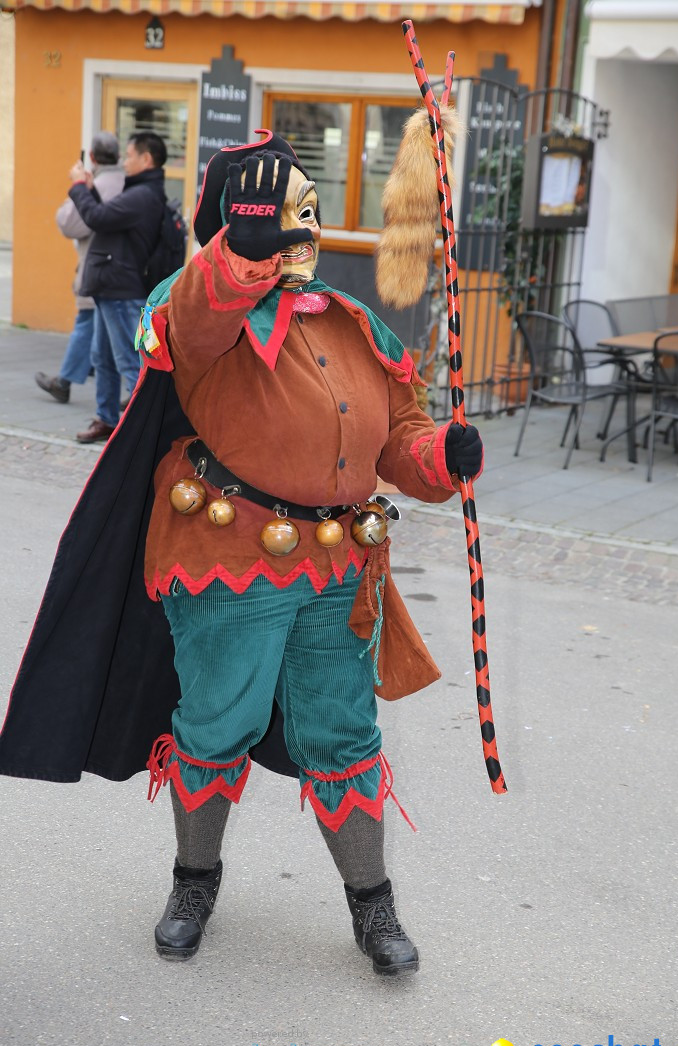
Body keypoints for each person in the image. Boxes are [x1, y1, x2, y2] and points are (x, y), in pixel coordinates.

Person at [0, 131, 483, 979]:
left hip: (338, 571)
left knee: (345, 731)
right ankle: (194, 881)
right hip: (229, 560)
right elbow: (197, 316)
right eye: (278, 209)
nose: (302, 226)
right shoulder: (195, 311)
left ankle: (374, 907)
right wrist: (238, 253)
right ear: (238, 220)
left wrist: (443, 454)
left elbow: (398, 440)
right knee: (216, 725)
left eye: (304, 207)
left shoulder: (349, 319)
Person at [68, 130, 167, 443]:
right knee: (103, 358)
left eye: (130, 155)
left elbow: (96, 218)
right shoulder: (139, 191)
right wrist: (88, 188)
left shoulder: (142, 196)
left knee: (129, 361)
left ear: (146, 159)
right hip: (112, 286)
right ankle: (107, 419)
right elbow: (107, 218)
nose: (125, 160)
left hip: (121, 289)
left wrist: (77, 187)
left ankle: (146, 433)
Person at [35, 132, 124, 404]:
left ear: (93, 158)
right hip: (125, 271)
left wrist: (78, 186)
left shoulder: (99, 185)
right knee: (105, 328)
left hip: (99, 267)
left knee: (91, 322)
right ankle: (70, 379)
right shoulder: (128, 182)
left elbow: (69, 223)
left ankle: (66, 382)